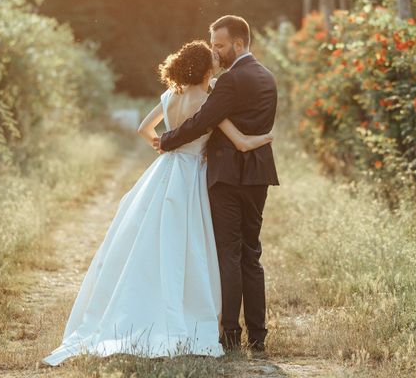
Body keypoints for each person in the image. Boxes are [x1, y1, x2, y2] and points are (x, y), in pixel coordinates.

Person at [41, 39, 273, 366]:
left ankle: (142, 306)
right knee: (191, 247)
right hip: (192, 177)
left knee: (153, 242)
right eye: (214, 62)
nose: (218, 64)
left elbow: (142, 128)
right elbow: (241, 142)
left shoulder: (170, 95)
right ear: (207, 69)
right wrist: (265, 138)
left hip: (164, 172)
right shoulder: (207, 102)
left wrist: (161, 145)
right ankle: (190, 311)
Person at [154, 15, 279, 352]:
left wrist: (167, 140)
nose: (216, 52)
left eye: (220, 45)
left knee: (229, 253)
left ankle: (229, 334)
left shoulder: (229, 81)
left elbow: (202, 121)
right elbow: (258, 126)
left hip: (227, 176)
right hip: (258, 175)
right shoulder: (268, 78)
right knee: (251, 253)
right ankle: (258, 334)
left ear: (239, 44)